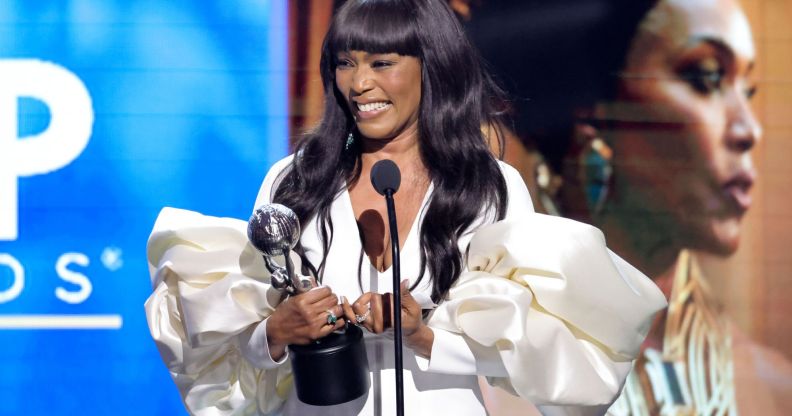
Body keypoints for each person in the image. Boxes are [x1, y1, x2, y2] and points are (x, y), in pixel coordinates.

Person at [144, 0, 666, 415]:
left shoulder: (490, 187)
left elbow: (521, 346)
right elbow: (239, 350)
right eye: (345, 62)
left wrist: (422, 334)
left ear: (430, 67)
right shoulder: (295, 178)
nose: (359, 83)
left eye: (382, 63)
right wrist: (276, 333)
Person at [462, 0, 792, 414]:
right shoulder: (486, 357)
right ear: (595, 115)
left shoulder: (768, 388)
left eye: (748, 90)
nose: (749, 130)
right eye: (706, 78)